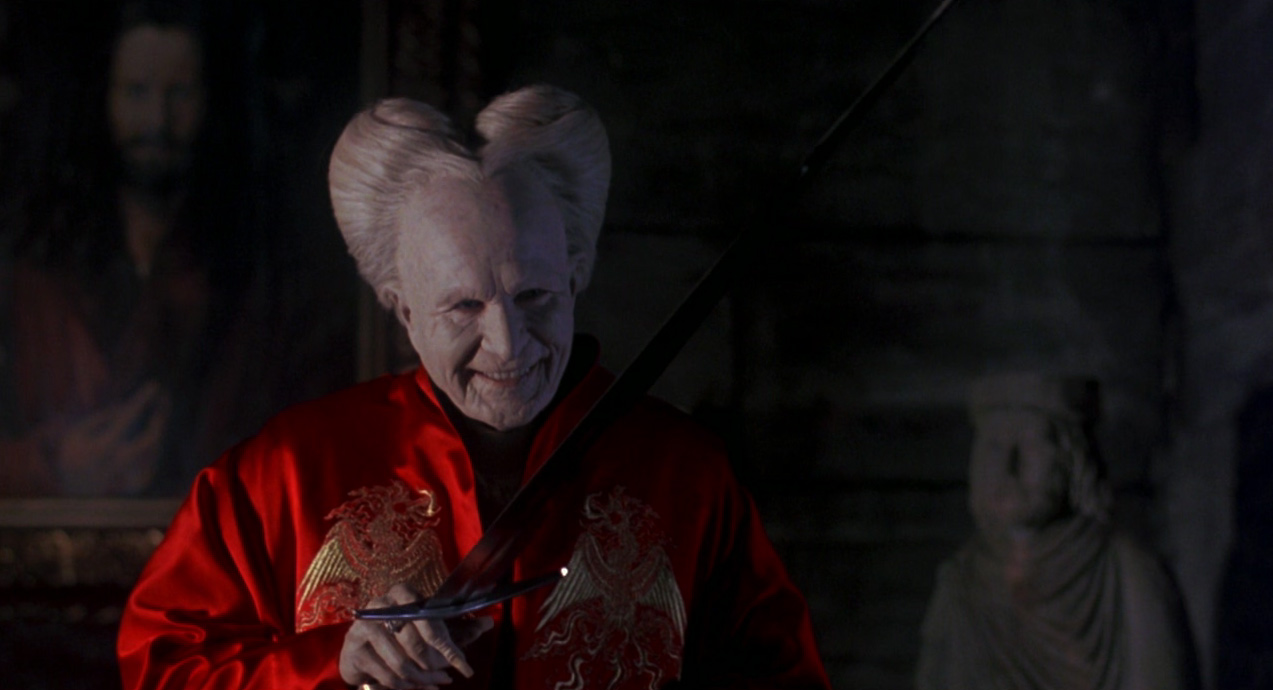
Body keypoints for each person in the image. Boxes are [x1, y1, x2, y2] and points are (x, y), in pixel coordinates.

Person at [117, 85, 830, 690]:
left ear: (576, 271)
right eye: (463, 306)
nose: (509, 345)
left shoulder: (687, 477)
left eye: (536, 296)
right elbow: (161, 668)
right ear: (400, 306)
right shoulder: (283, 476)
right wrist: (329, 663)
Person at [0, 1, 264, 496]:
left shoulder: (250, 271)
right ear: (106, 97)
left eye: (179, 93)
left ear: (208, 101)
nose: (157, 120)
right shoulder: (38, 267)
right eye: (137, 92)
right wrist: (51, 466)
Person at [915, 373, 1200, 690]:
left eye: (1030, 444)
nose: (1009, 466)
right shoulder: (960, 584)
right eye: (993, 447)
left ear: (1074, 460)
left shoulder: (1127, 576)